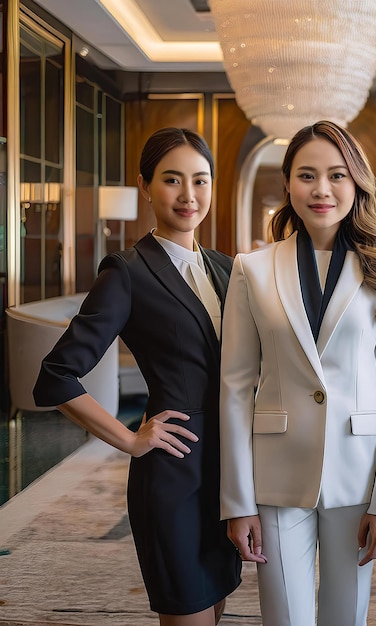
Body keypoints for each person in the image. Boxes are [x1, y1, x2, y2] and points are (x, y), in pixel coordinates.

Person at [33, 127, 241, 626]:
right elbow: (56, 376)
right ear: (146, 185)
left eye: (200, 180)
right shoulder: (127, 272)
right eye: (172, 180)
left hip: (231, 474)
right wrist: (129, 439)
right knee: (187, 611)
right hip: (175, 471)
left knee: (215, 607)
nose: (189, 196)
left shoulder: (226, 269)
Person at [219, 120, 376, 626]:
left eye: (336, 175)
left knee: (347, 617)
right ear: (288, 183)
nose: (322, 189)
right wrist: (236, 502)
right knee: (284, 618)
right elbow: (236, 387)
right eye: (307, 175)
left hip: (359, 474)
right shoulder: (251, 269)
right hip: (276, 474)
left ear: (357, 183)